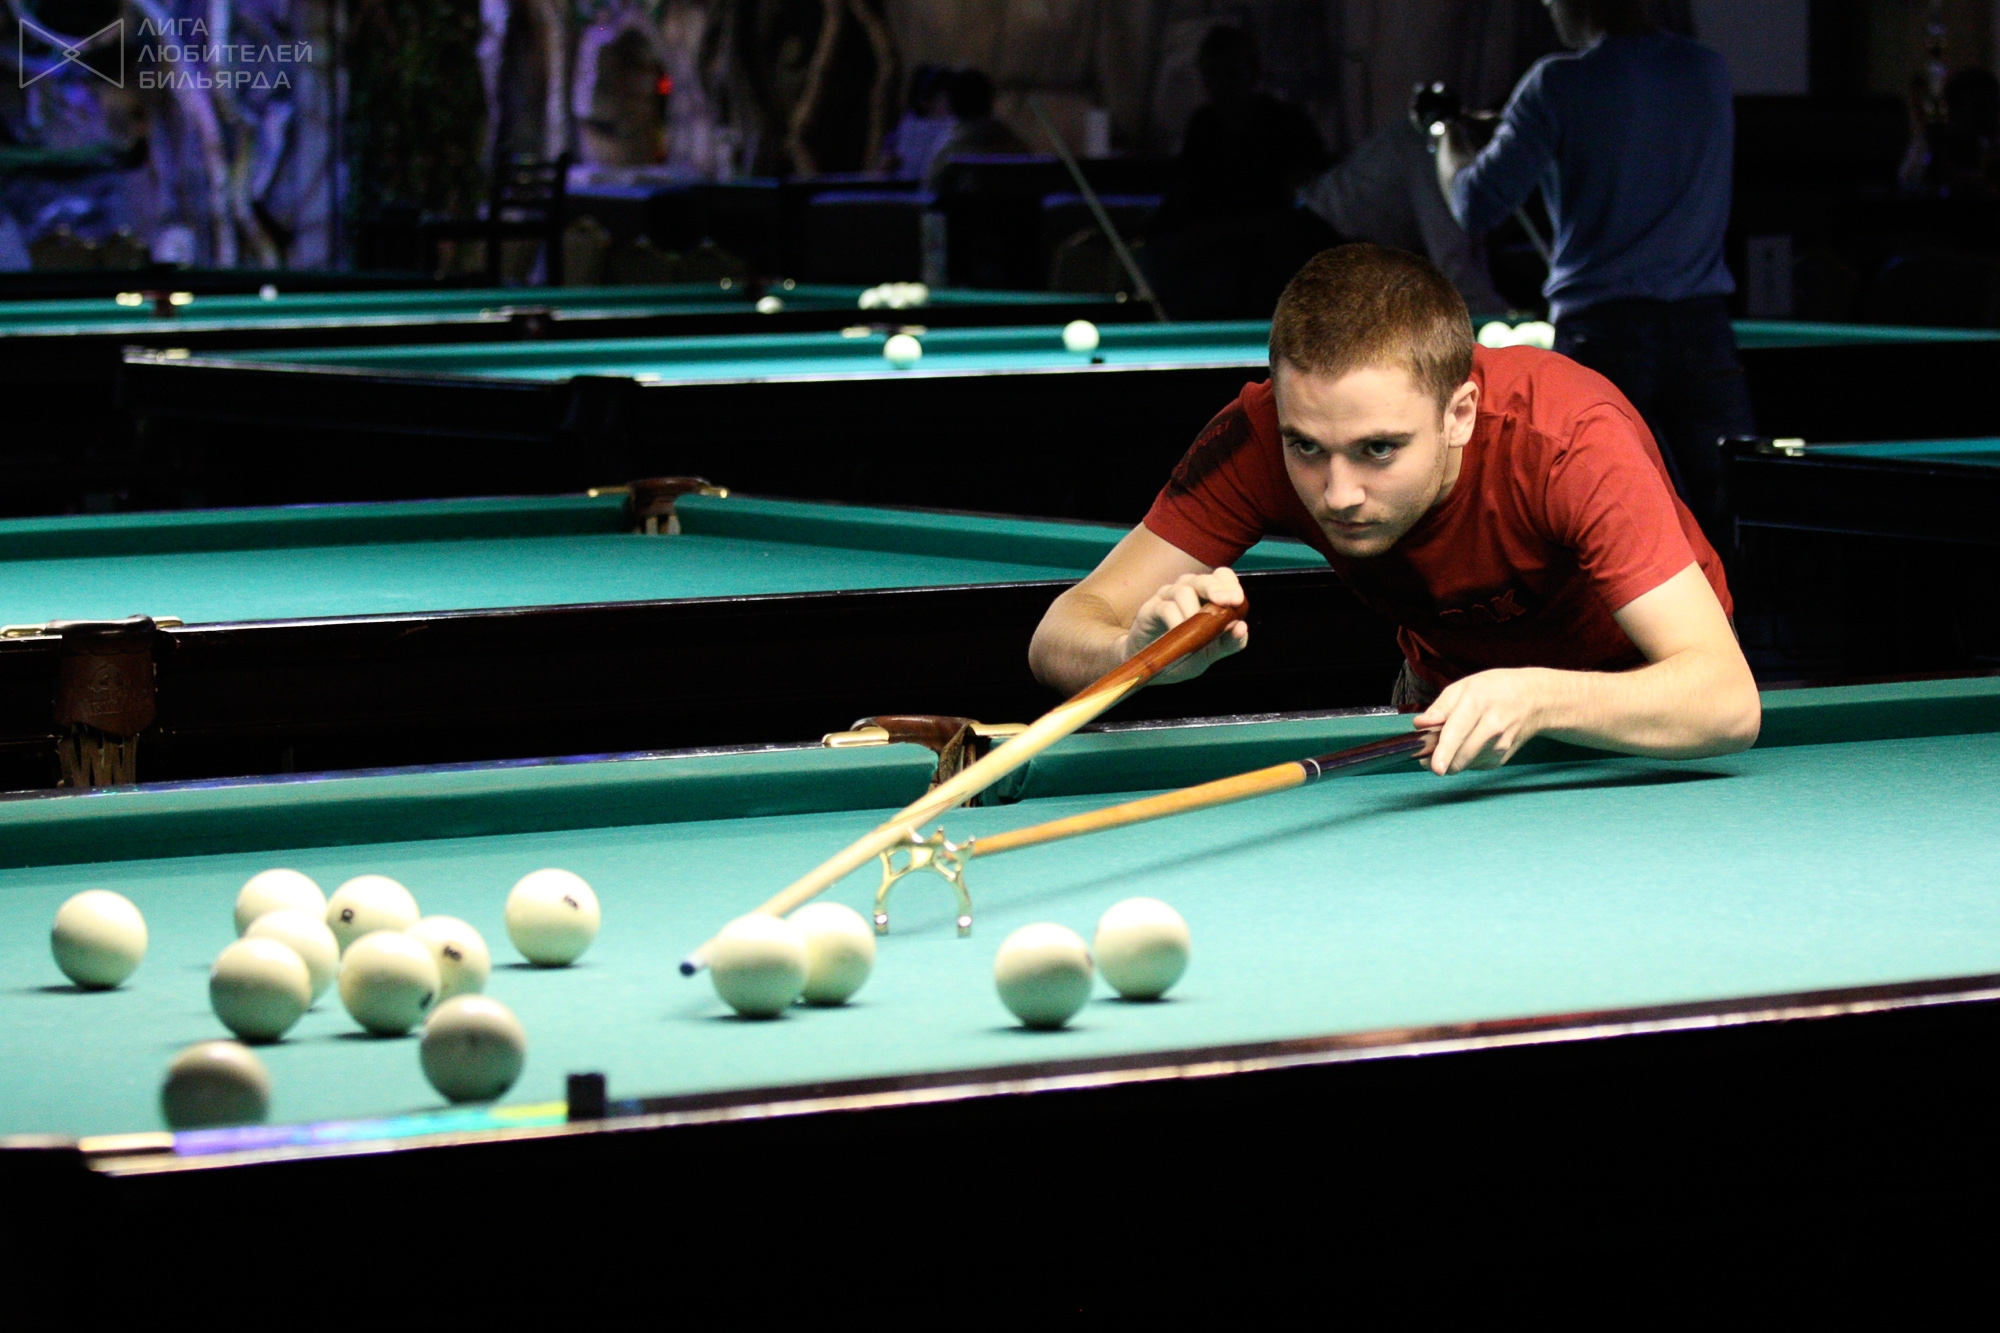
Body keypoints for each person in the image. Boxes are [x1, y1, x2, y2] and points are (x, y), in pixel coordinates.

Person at [1028, 244, 1760, 776]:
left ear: (1460, 414)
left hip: (1641, 709)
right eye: (1307, 446)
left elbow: (1725, 702)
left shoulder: (1567, 439)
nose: (1338, 493)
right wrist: (1136, 657)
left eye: (1379, 449)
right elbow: (1059, 635)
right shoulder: (1256, 438)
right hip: (1449, 702)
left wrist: (1539, 695)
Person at [1432, 0, 1752, 539]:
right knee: (1732, 521)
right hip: (1703, 331)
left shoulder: (1556, 84)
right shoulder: (1706, 70)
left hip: (1603, 338)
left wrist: (1445, 137)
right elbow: (1634, 128)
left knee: (1597, 526)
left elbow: (1475, 202)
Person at [1143, 25, 1335, 319]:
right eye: (1212, 74)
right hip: (1211, 245)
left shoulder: (1287, 125)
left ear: (1254, 73)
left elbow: (1306, 204)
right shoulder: (1203, 126)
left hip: (1271, 244)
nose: (1222, 84)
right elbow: (1184, 195)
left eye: (1231, 72)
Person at [1298, 112, 1506, 314]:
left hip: (1345, 254)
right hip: (1311, 248)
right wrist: (1508, 320)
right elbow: (1458, 272)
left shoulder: (1460, 152)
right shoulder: (1432, 148)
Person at [926, 69, 1028, 187]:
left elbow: (930, 188)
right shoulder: (1017, 146)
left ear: (952, 104)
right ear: (990, 100)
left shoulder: (948, 152)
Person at [879, 65, 956, 182]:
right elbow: (884, 167)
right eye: (948, 99)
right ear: (926, 102)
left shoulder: (958, 130)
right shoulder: (906, 128)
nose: (953, 106)